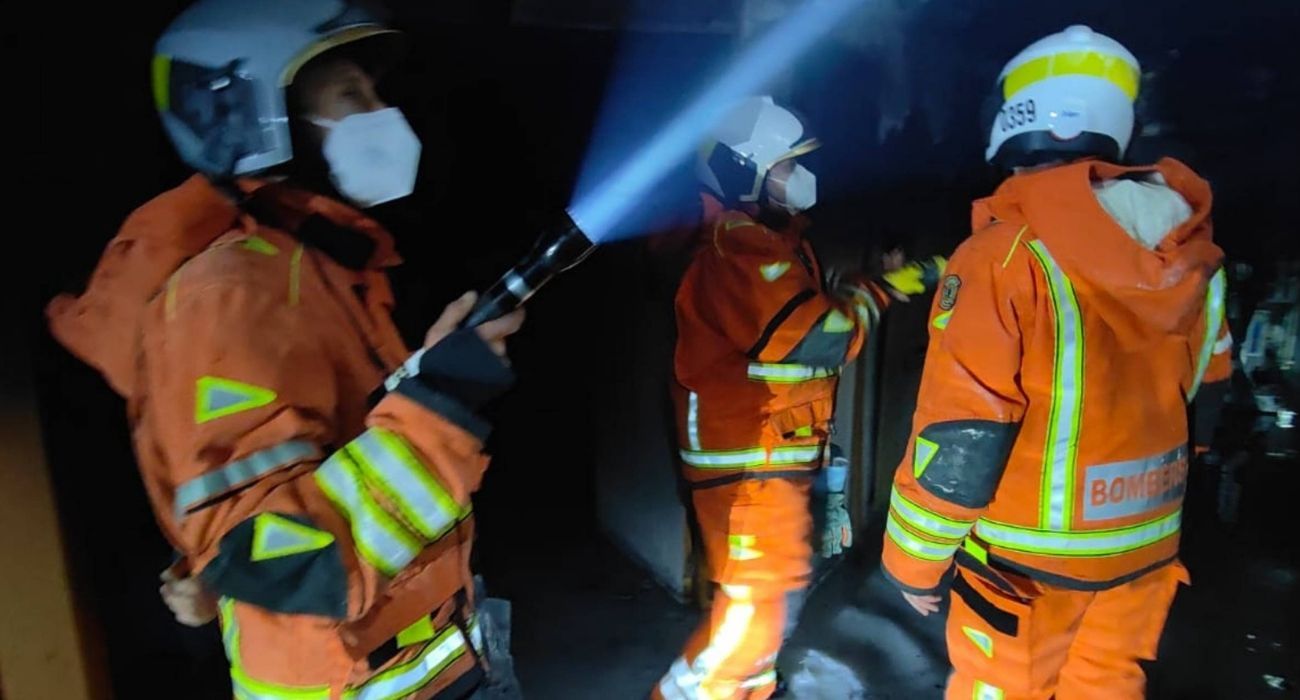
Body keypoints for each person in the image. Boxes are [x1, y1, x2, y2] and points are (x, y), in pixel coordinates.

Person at [47, 1, 524, 697]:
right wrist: (442, 407)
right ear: (257, 116)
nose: (381, 112)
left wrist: (430, 374)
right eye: (351, 95)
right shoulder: (230, 296)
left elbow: (317, 471)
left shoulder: (317, 267)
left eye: (375, 92)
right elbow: (279, 560)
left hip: (422, 660)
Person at [879, 25, 1232, 700]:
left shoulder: (1002, 257)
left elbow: (961, 436)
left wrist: (913, 564)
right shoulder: (1195, 257)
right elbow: (1207, 399)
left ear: (1017, 120)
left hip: (1025, 567)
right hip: (1144, 552)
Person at [654, 96, 943, 700]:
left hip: (769, 459)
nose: (801, 179)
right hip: (746, 465)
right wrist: (882, 291)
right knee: (754, 612)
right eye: (787, 165)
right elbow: (819, 340)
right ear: (743, 169)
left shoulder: (770, 242)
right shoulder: (738, 245)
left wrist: (870, 286)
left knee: (764, 605)